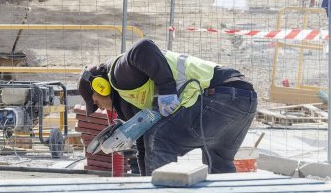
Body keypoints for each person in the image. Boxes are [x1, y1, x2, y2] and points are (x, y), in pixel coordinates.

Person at [78, 39, 257, 175]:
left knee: (159, 138)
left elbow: (143, 47)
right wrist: (146, 182)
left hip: (219, 96)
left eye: (96, 103)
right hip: (243, 100)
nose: (101, 108)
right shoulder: (129, 98)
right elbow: (143, 143)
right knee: (218, 163)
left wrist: (167, 90)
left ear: (100, 87)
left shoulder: (119, 73)